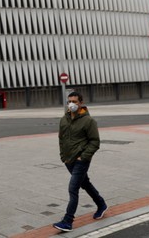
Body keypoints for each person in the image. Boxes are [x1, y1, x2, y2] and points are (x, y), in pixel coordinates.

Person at [53, 91, 108, 232]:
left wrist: (83, 157)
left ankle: (68, 221)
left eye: (75, 102)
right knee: (85, 184)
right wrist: (62, 155)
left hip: (81, 160)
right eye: (69, 101)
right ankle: (101, 204)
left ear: (81, 103)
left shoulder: (88, 121)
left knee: (73, 188)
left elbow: (95, 142)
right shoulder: (63, 119)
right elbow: (61, 138)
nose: (71, 104)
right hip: (68, 159)